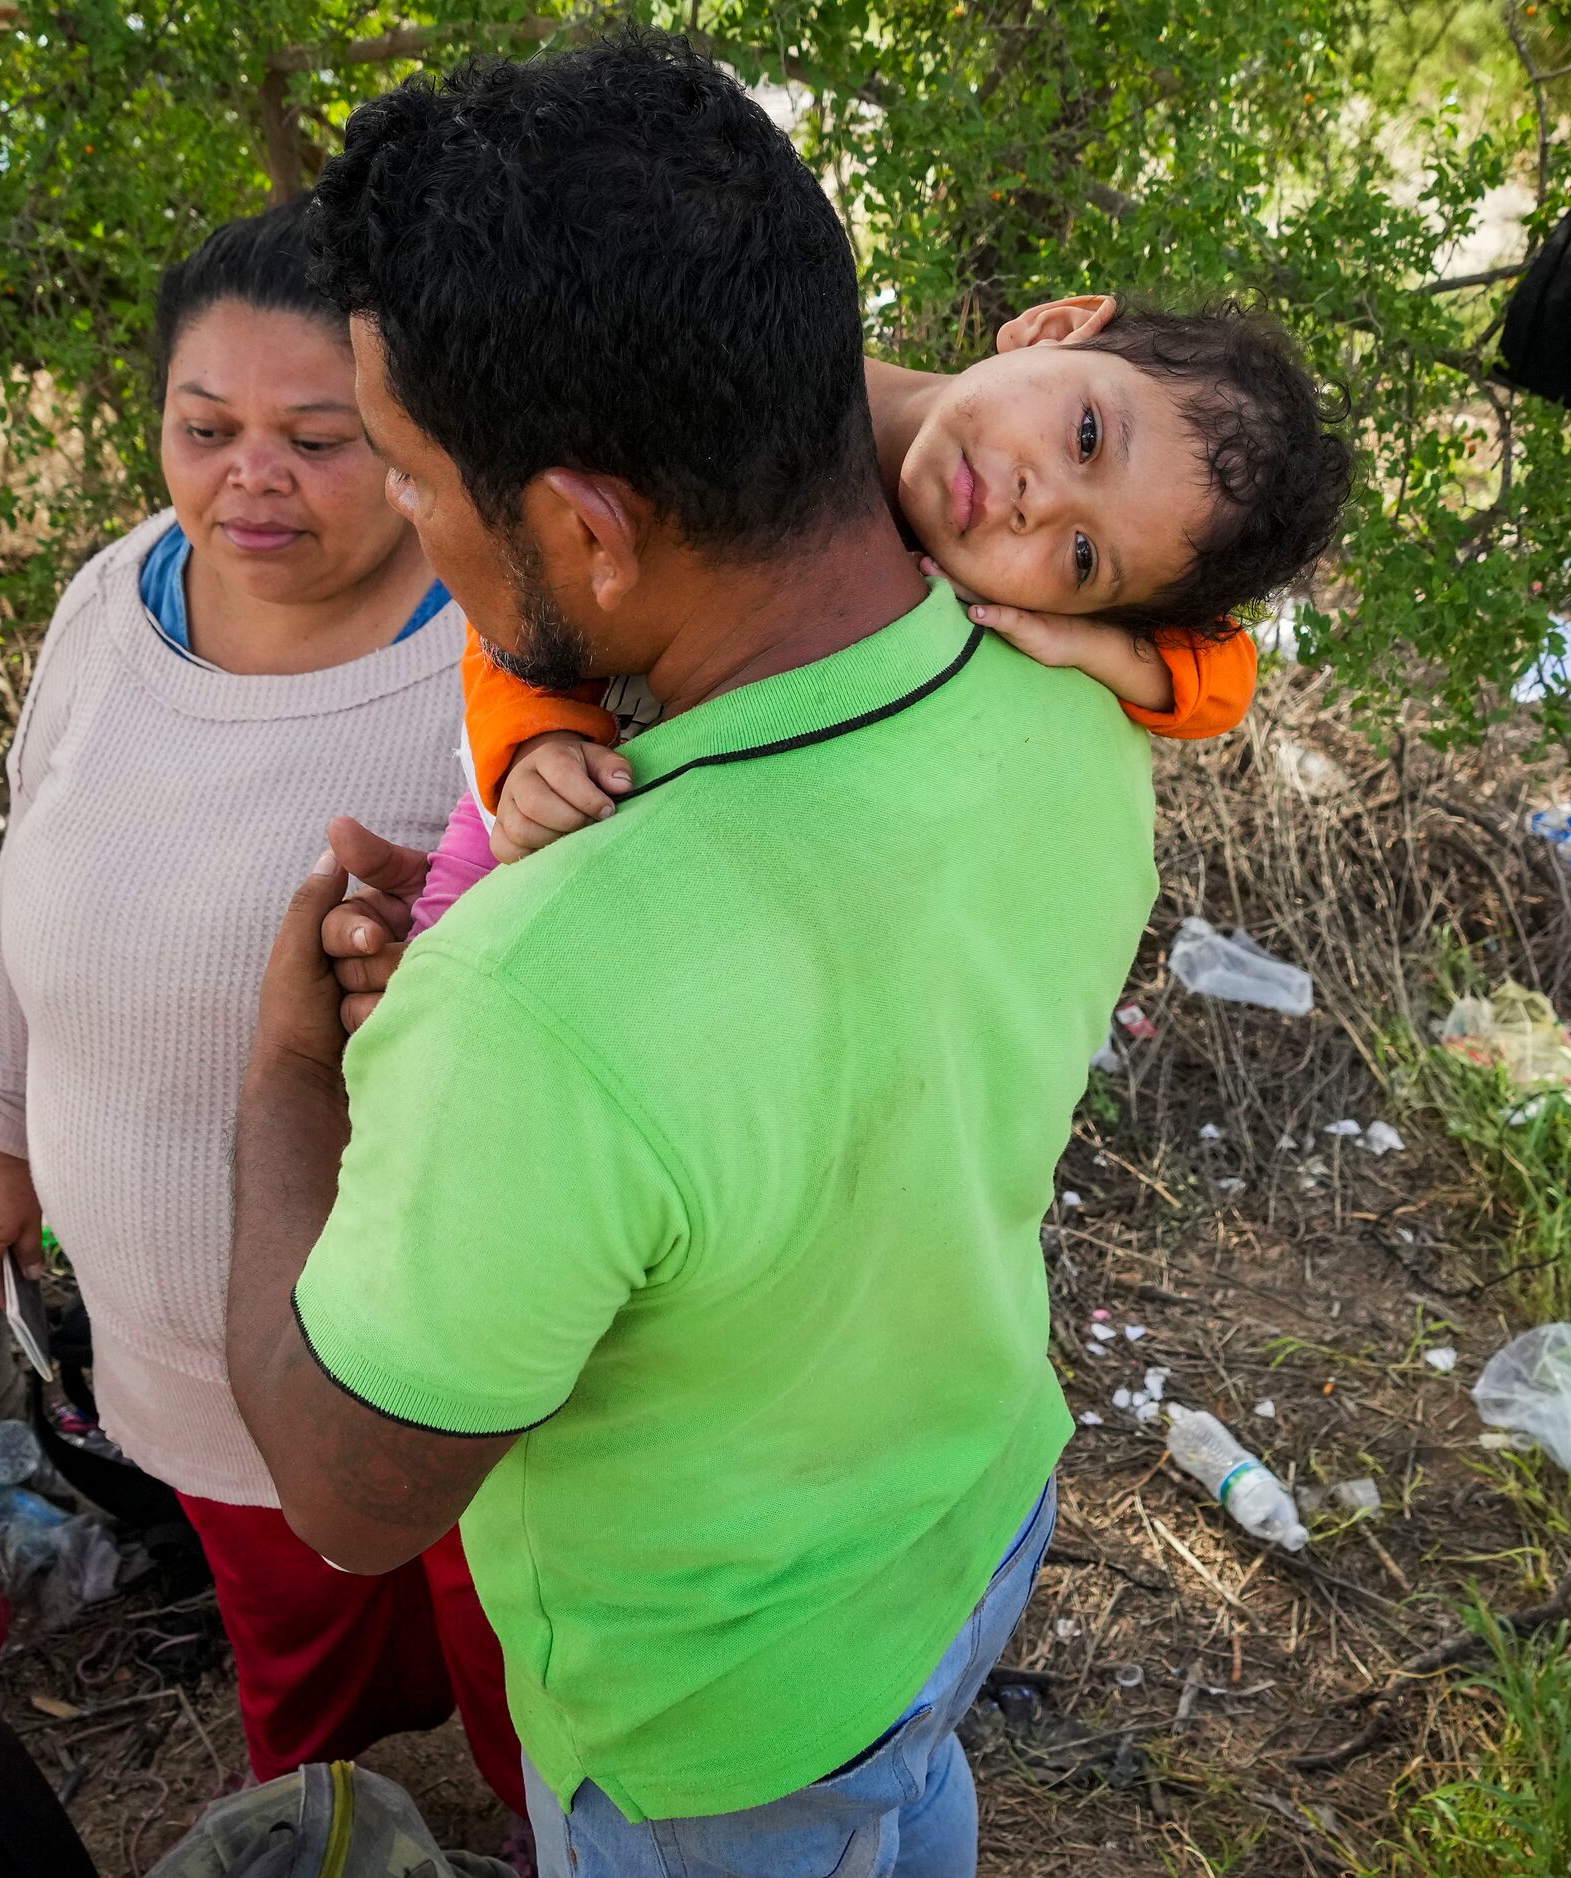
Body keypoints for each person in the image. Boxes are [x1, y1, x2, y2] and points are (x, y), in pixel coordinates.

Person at [227, 33, 1299, 1874]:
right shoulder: (1069, 700)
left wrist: (288, 1073)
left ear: (581, 524)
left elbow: (348, 1491)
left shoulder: (540, 998)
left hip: (716, 1720)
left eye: (408, 478)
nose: (404, 520)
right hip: (963, 1522)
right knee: (903, 1789)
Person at [0, 206, 530, 1841]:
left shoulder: (498, 642)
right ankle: (322, 1820)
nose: (249, 476)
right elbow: (29, 866)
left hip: (431, 1300)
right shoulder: (118, 593)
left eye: (317, 439)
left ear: (412, 430)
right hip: (178, 1310)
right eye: (207, 429)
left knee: (515, 1641)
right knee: (289, 1617)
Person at [414, 290, 1342, 918]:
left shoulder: (937, 568)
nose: (1039, 500)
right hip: (523, 813)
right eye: (1087, 437)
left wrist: (1095, 646)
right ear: (1052, 325)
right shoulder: (757, 391)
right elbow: (523, 586)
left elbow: (1226, 673)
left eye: (1083, 554)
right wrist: (531, 742)